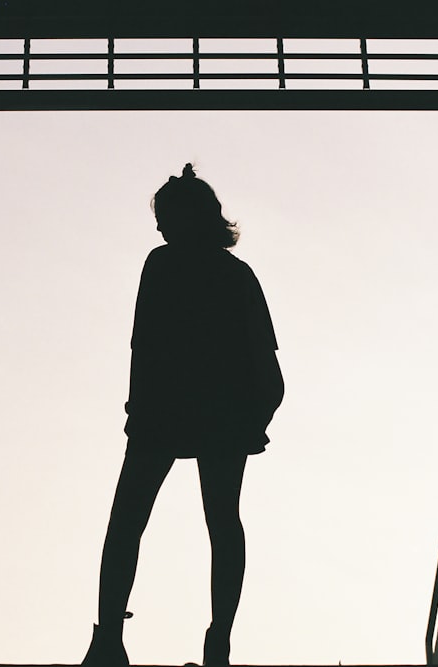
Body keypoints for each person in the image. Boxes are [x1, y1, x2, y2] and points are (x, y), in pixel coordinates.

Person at [82, 164, 284, 667]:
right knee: (221, 522)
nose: (157, 228)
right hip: (217, 416)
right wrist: (255, 416)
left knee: (128, 522)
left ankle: (109, 638)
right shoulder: (235, 275)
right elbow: (266, 359)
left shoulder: (163, 266)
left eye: (165, 217)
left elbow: (142, 344)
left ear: (186, 218)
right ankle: (218, 645)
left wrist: (139, 410)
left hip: (169, 414)